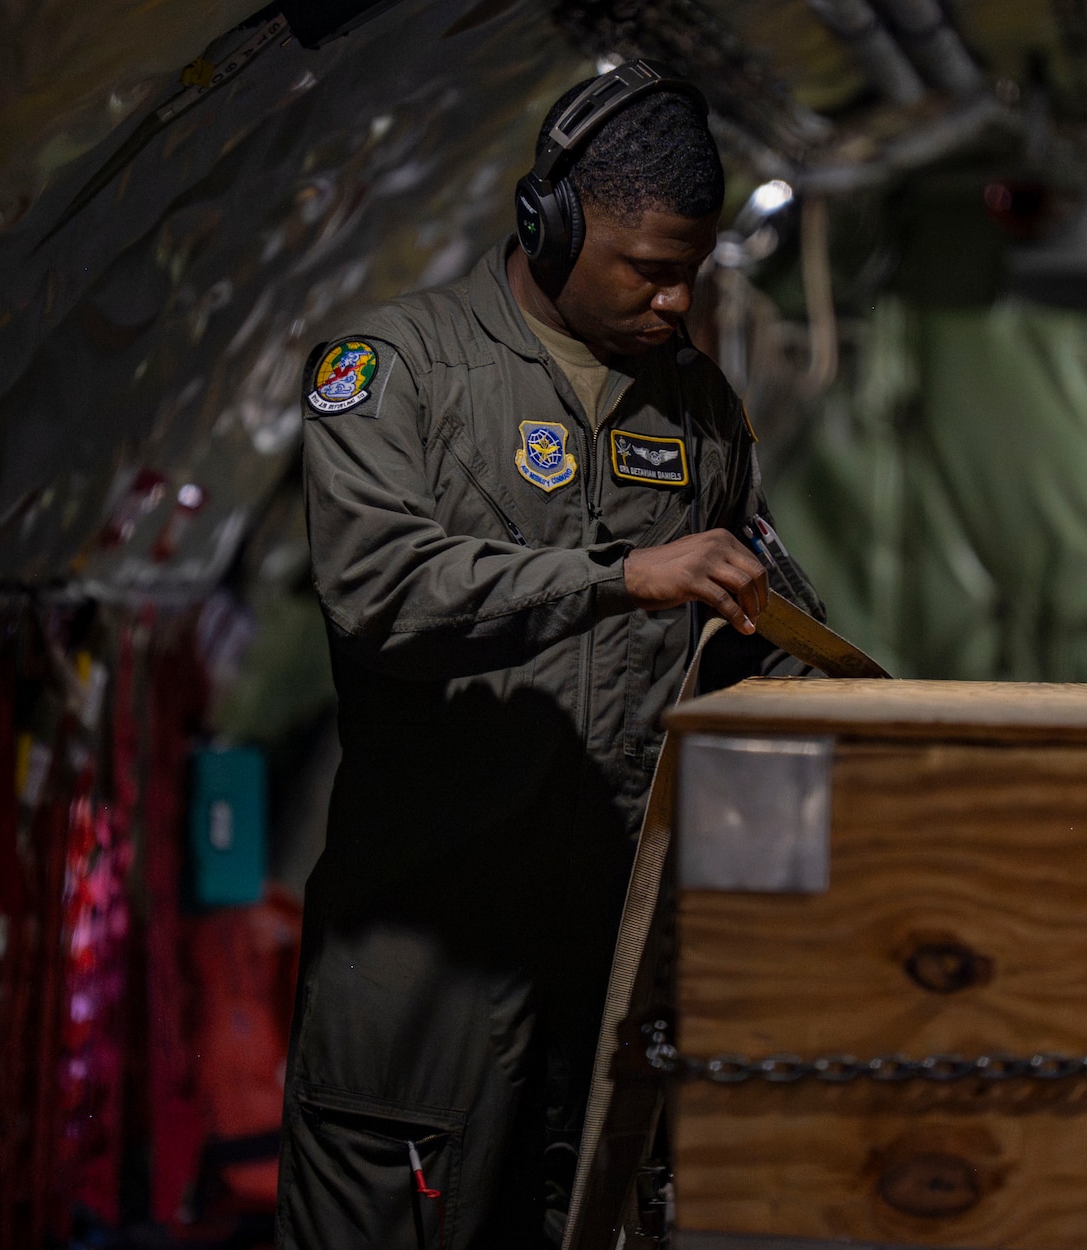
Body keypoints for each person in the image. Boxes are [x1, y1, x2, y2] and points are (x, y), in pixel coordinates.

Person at [278, 65, 822, 1248]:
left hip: (603, 962)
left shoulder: (699, 410)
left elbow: (748, 634)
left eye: (692, 269)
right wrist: (619, 575)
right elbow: (383, 591)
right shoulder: (391, 373)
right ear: (552, 222)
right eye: (648, 268)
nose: (676, 300)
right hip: (423, 957)